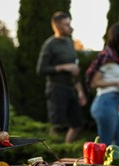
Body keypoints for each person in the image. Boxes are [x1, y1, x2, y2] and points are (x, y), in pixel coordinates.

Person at [36, 11, 87, 143]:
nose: (71, 27)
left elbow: (75, 69)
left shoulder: (70, 42)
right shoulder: (50, 45)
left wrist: (80, 92)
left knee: (77, 124)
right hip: (56, 89)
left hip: (71, 89)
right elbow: (41, 70)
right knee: (56, 126)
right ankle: (52, 156)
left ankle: (65, 153)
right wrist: (64, 67)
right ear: (57, 26)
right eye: (66, 24)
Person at [85, 23, 119, 150]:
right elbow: (95, 82)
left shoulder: (118, 57)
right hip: (104, 103)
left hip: (112, 104)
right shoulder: (107, 55)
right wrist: (117, 83)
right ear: (115, 39)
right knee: (104, 147)